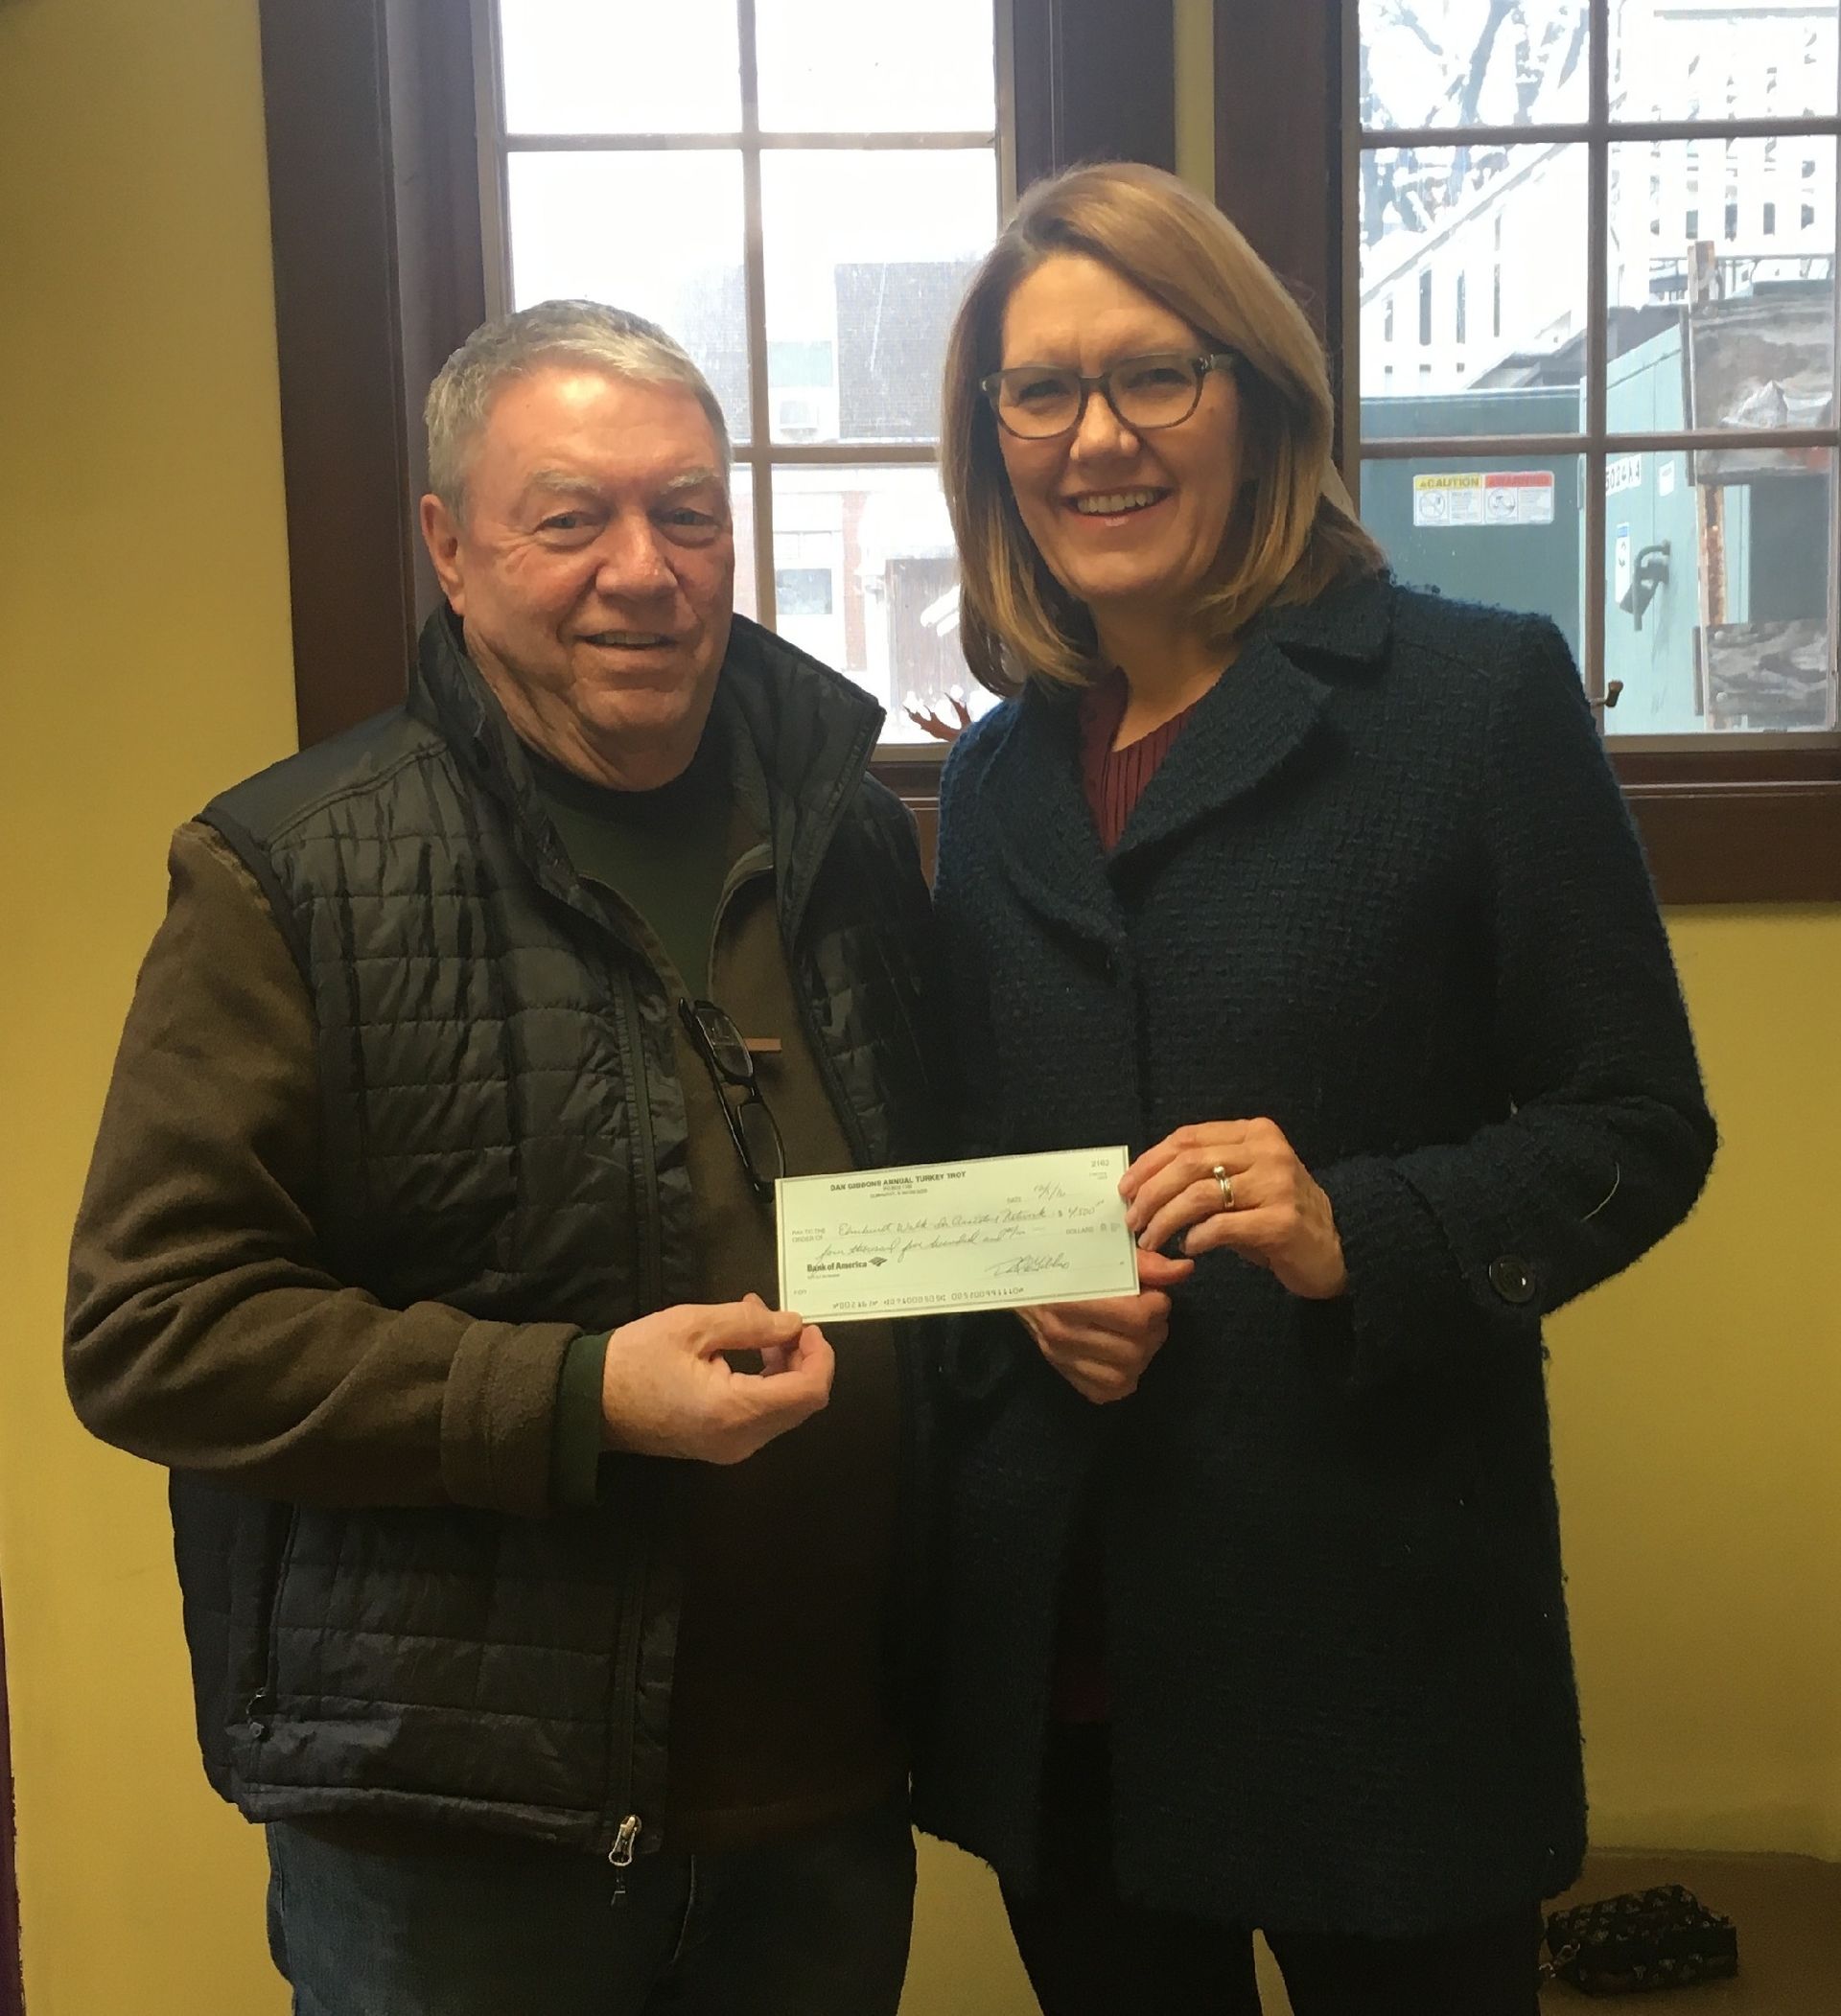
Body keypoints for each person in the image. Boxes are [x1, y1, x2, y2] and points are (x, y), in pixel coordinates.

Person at [65, 299, 943, 2016]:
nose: (646, 568)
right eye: (573, 518)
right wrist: (579, 1397)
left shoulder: (849, 836)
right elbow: (154, 1331)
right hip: (457, 1843)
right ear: (449, 550)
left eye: (689, 511)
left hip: (822, 1782)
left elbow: (908, 1216)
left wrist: (1061, 1290)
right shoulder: (287, 875)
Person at [911, 162, 1716, 2015]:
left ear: (1257, 396)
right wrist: (1020, 1285)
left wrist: (1367, 1225)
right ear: (994, 442)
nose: (1094, 437)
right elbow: (966, 1163)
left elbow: (1639, 1124)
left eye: (1152, 377)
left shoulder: (1473, 700)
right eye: (1040, 391)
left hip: (1381, 1666)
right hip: (1076, 1666)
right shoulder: (996, 780)